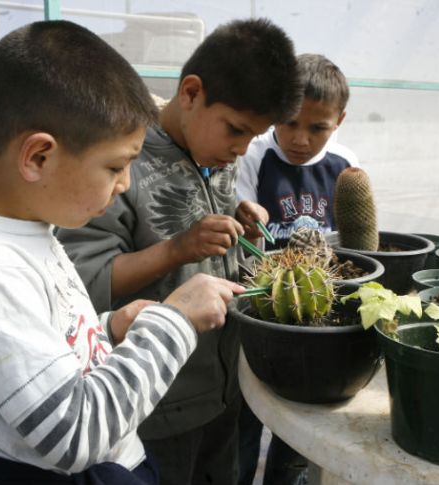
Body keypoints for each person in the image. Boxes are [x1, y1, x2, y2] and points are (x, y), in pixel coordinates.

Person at [0, 20, 245, 485]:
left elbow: (50, 352)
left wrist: (109, 328)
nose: (126, 183)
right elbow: (74, 434)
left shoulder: (28, 230)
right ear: (38, 157)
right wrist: (176, 321)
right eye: (116, 166)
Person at [54, 18, 302, 485]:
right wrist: (177, 249)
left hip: (225, 389)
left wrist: (240, 218)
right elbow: (83, 285)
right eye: (235, 129)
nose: (241, 149)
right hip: (155, 405)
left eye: (253, 136)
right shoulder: (119, 160)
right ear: (190, 93)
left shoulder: (216, 154)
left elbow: (213, 224)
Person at [235, 54, 359, 485]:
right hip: (261, 306)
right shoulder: (252, 155)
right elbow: (243, 237)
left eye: (318, 127)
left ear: (339, 120)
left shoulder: (345, 164)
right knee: (247, 412)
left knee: (301, 425)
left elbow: (355, 242)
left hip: (318, 314)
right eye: (289, 121)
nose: (301, 139)